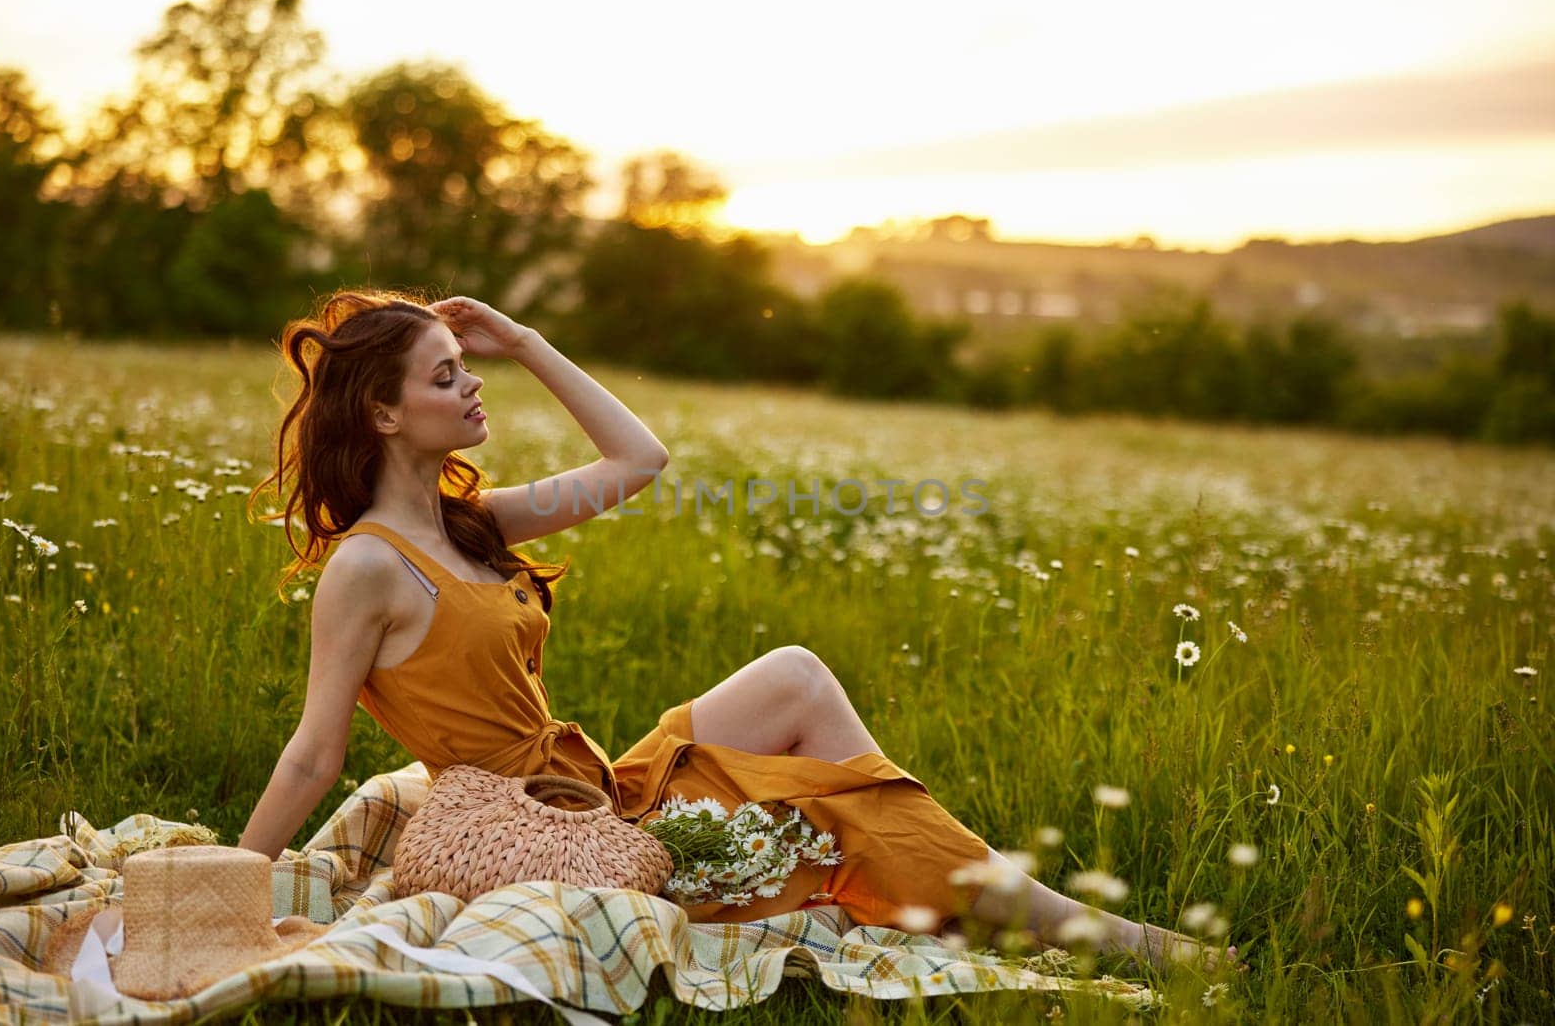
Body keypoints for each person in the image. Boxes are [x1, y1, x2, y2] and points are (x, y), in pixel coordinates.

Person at [236, 289, 1242, 974]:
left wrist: (529, 343)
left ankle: (987, 884)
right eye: (448, 375)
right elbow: (314, 748)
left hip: (591, 790)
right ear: (380, 411)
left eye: (468, 368)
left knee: (797, 678)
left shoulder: (475, 518)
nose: (473, 385)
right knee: (838, 810)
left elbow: (640, 457)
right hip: (540, 832)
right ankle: (1080, 923)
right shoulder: (368, 565)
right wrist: (234, 882)